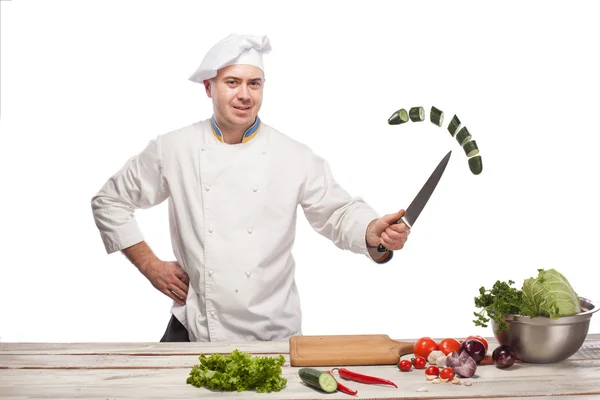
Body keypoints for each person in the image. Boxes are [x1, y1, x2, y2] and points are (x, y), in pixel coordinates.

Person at [90, 33, 410, 343]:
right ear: (208, 87)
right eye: (233, 82)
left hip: (272, 331)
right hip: (198, 326)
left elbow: (338, 211)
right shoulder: (174, 148)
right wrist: (150, 265)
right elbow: (109, 201)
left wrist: (372, 231)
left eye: (253, 84)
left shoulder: (293, 155)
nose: (245, 95)